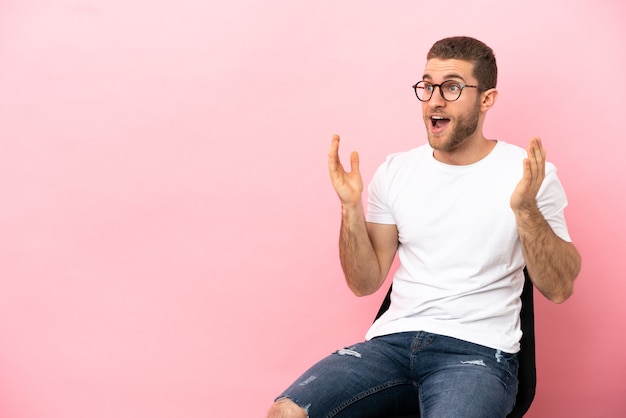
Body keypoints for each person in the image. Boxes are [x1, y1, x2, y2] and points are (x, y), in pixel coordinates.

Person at [267, 36, 581, 418]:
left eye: (451, 87)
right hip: (391, 345)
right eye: (427, 86)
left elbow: (560, 288)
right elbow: (364, 281)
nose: (434, 99)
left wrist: (526, 210)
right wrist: (350, 208)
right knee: (287, 413)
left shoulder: (530, 175)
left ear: (486, 99)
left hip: (477, 353)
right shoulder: (397, 171)